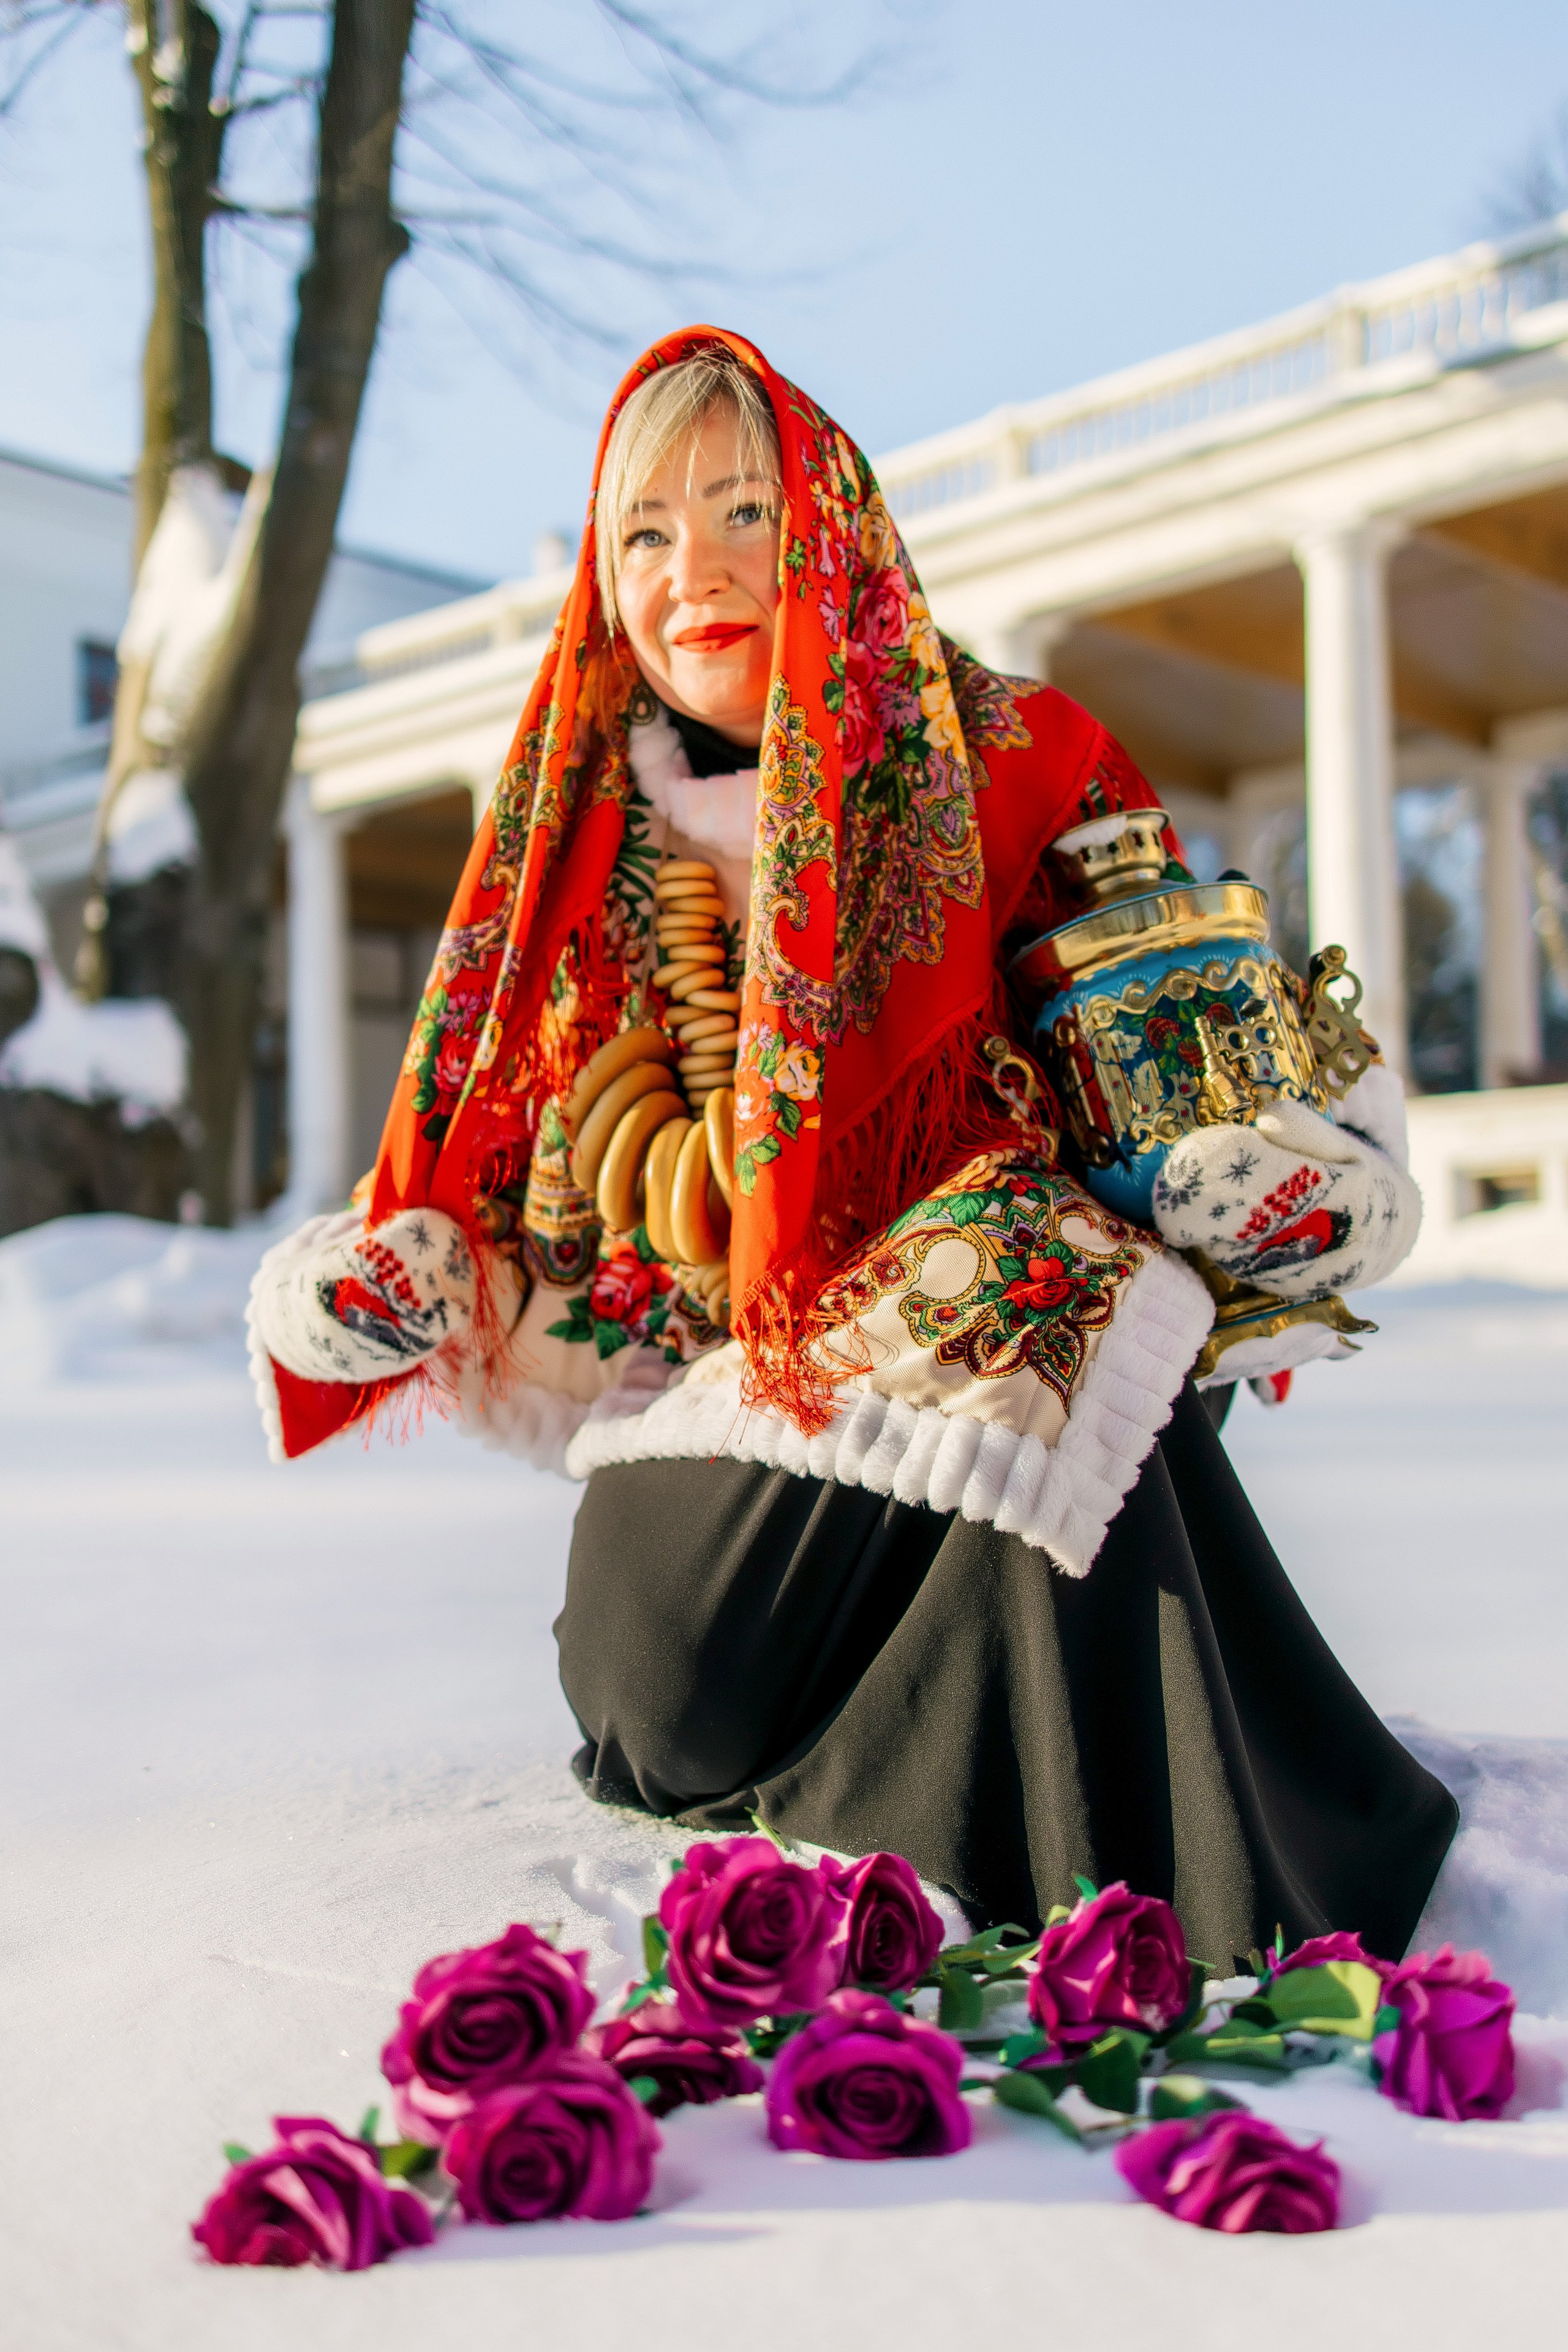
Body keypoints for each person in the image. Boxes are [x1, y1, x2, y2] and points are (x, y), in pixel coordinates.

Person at [251, 329, 1456, 1964]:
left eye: (744, 512)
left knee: (1035, 1284)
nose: (693, 574)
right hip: (746, 1396)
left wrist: (1265, 1179)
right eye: (644, 533)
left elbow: (1205, 1048)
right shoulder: (583, 843)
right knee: (653, 1693)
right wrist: (415, 1275)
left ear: (829, 519)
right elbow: (523, 1188)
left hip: (1044, 1347)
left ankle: (1051, 1841)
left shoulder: (1019, 756)